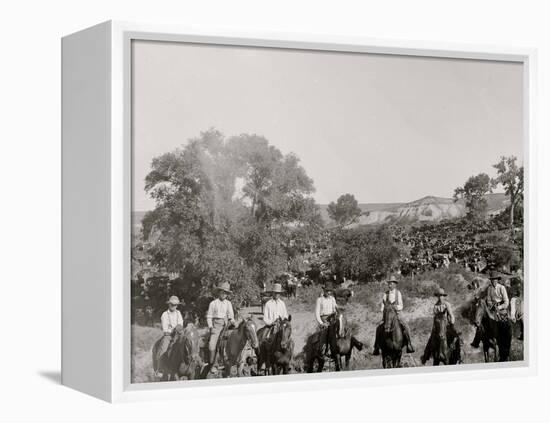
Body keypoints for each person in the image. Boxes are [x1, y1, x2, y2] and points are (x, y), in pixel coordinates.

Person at [373, 275, 415, 355]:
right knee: (378, 327)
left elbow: (401, 305)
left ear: (395, 284)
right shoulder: (385, 294)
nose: (390, 285)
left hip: (397, 314)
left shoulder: (398, 293)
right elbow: (383, 305)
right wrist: (383, 310)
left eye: (391, 283)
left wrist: (396, 307)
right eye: (389, 283)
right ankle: (376, 346)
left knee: (406, 326)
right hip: (387, 315)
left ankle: (409, 344)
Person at [471, 271, 509, 348]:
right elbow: (488, 300)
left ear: (497, 280)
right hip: (492, 308)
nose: (493, 281)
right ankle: (477, 340)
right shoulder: (489, 288)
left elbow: (506, 302)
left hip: (501, 308)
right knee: (482, 321)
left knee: (504, 324)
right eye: (492, 280)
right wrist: (491, 305)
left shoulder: (502, 288)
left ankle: (504, 339)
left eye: (495, 280)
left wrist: (499, 307)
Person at [421, 288, 457, 364]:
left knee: (455, 336)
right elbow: (435, 317)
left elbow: (451, 314)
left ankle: (458, 353)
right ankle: (426, 355)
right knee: (431, 339)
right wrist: (435, 326)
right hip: (437, 325)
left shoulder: (447, 304)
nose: (440, 297)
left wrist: (452, 322)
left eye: (441, 296)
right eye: (439, 296)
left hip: (446, 324)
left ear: (444, 296)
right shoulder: (435, 305)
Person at [206, 282, 236, 367]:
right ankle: (212, 363)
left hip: (227, 325)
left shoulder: (228, 303)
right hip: (216, 325)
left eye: (226, 293)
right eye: (222, 292)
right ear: (219, 292)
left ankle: (233, 360)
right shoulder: (213, 303)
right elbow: (209, 317)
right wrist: (211, 327)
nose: (224, 294)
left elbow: (231, 316)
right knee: (212, 344)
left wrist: (232, 321)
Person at [315, 282, 338, 356]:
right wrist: (321, 323)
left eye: (330, 291)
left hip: (332, 319)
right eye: (327, 290)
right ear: (324, 290)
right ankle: (322, 350)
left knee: (340, 329)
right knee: (324, 333)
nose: (329, 292)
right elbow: (317, 313)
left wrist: (336, 312)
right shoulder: (320, 300)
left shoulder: (332, 299)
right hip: (323, 319)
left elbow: (335, 309)